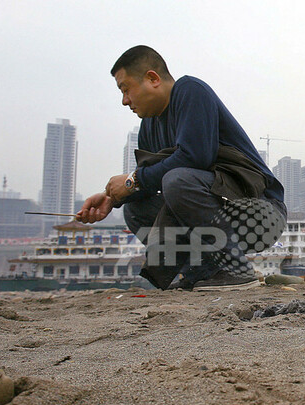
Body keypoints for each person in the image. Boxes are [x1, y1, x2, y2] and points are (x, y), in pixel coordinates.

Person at [76, 45, 286, 290]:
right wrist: (112, 198)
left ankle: (234, 269)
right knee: (135, 208)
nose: (125, 101)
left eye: (126, 89)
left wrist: (133, 181)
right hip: (222, 210)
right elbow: (148, 180)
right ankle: (202, 273)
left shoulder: (190, 91)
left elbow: (195, 157)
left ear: (152, 78)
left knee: (177, 181)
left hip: (261, 214)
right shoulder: (149, 127)